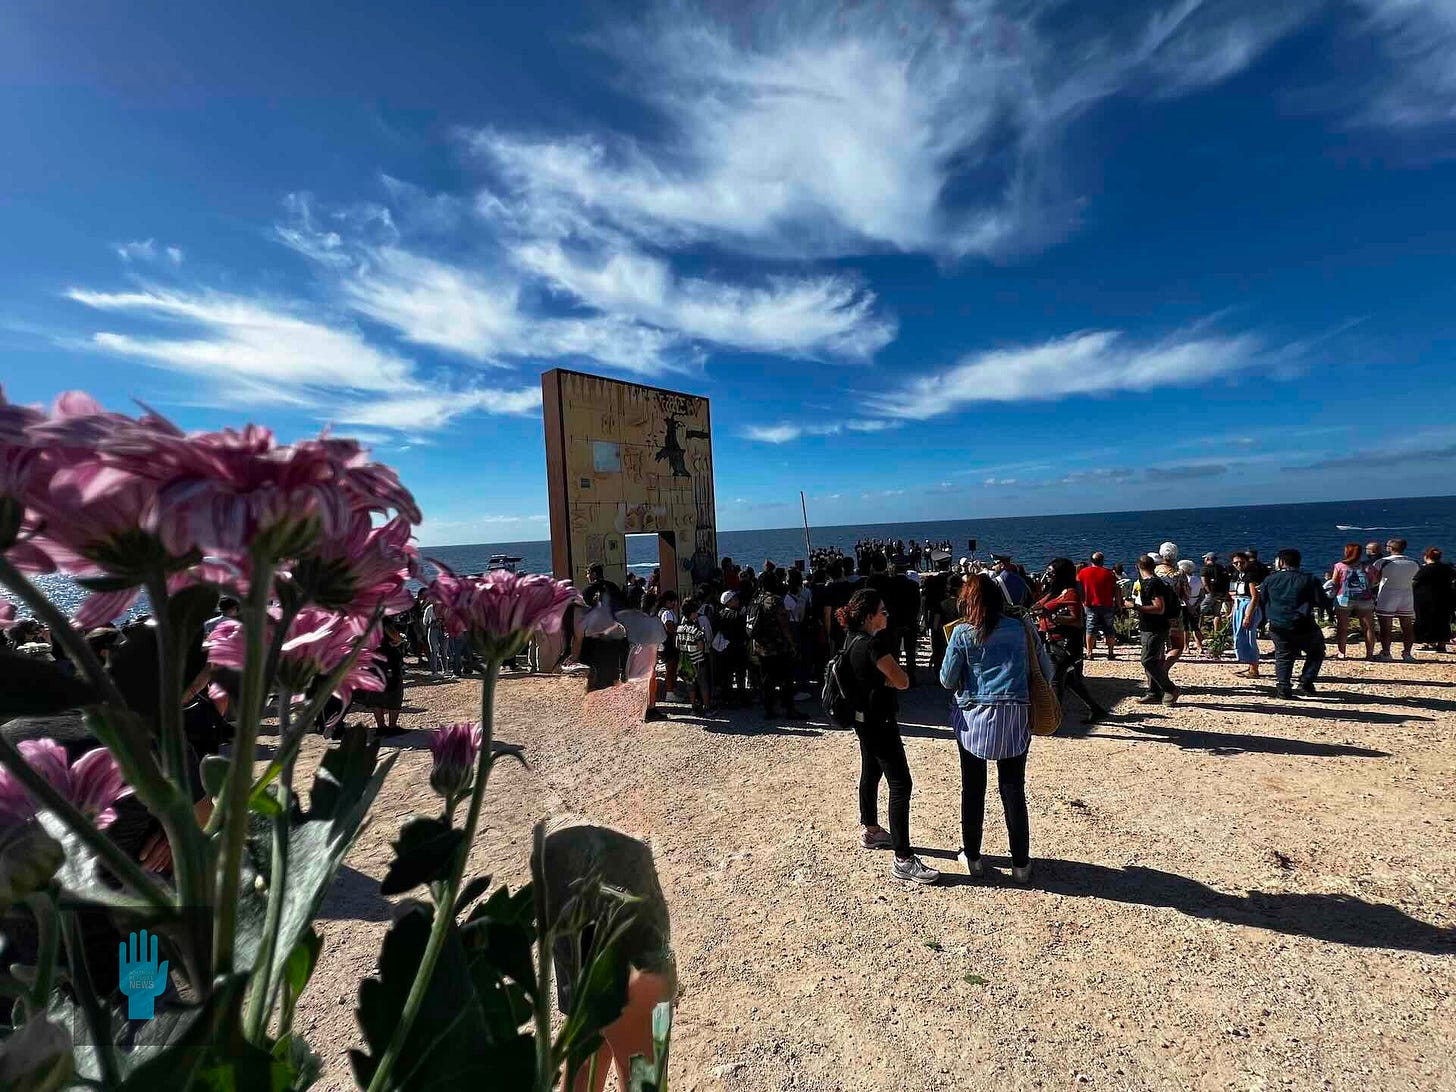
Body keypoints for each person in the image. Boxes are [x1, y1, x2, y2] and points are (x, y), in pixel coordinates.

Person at [939, 573, 1047, 883]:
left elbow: (947, 680)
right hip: (1015, 716)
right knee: (1013, 789)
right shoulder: (1022, 629)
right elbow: (1045, 669)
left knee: (973, 789)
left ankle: (972, 857)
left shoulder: (962, 633)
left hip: (974, 718)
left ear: (967, 601)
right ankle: (1021, 864)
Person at [838, 589, 938, 885]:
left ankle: (871, 830)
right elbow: (903, 681)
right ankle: (904, 859)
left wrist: (882, 679)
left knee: (870, 772)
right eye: (882, 610)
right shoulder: (873, 646)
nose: (887, 614)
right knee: (900, 783)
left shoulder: (851, 639)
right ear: (870, 616)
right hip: (880, 721)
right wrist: (887, 679)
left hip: (862, 720)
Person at [1033, 559, 1109, 725]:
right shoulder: (1054, 592)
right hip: (1051, 641)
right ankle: (1097, 710)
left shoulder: (1070, 593)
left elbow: (1077, 620)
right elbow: (1037, 605)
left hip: (1064, 645)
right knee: (1071, 681)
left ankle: (1054, 720)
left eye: (1052, 573)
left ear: (1060, 575)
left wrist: (1054, 617)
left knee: (1055, 681)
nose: (1049, 576)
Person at [1259, 548, 1327, 699]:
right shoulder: (1309, 579)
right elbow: (1320, 600)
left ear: (1281, 562)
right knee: (1316, 652)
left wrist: (1262, 621)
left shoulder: (1270, 579)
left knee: (1283, 656)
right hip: (1303, 623)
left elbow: (1262, 601)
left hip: (1277, 623)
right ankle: (1306, 681)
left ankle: (1283, 688)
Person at [749, 569, 801, 718]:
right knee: (786, 678)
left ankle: (769, 709)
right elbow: (784, 624)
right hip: (777, 646)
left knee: (767, 679)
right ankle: (789, 708)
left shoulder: (756, 599)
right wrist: (792, 643)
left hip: (760, 645)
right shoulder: (775, 600)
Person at [1130, 554, 1181, 705]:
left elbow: (1159, 608)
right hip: (1150, 625)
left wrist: (1135, 607)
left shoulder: (1152, 584)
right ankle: (1154, 692)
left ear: (1137, 567)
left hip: (1155, 627)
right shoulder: (1149, 582)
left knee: (1148, 660)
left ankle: (1170, 688)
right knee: (1153, 659)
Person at [1371, 538, 1420, 661]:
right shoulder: (1414, 562)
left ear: (1390, 548)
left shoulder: (1382, 562)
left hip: (1387, 594)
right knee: (1407, 625)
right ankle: (1407, 653)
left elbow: (1373, 580)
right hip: (1407, 594)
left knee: (1386, 626)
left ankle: (1386, 652)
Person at [1331, 542, 1377, 659]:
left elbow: (1334, 583)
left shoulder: (1339, 566)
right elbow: (1372, 582)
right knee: (1368, 627)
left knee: (1342, 627)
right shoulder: (1367, 567)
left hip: (1344, 599)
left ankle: (1342, 653)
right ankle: (1369, 654)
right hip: (1364, 599)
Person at [1077, 551, 1120, 661]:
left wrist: (1081, 601)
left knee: (1090, 628)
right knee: (1109, 629)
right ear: (1102, 561)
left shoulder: (1083, 573)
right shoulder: (1109, 573)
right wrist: (1119, 604)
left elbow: (1078, 588)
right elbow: (1116, 590)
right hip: (1107, 604)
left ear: (1091, 561)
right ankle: (1110, 652)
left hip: (1090, 604)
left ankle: (1089, 652)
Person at [1413, 547, 1455, 653]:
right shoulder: (1448, 568)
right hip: (1445, 598)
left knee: (1425, 620)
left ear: (1426, 556)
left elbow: (1415, 582)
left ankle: (1428, 642)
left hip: (1426, 599)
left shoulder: (1425, 569)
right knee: (1443, 621)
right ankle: (1442, 645)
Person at [1154, 543, 1189, 672]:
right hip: (1173, 612)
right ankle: (1164, 670)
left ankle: (1157, 672)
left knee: (1158, 644)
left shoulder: (1154, 572)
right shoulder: (1179, 574)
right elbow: (1186, 594)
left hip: (1155, 612)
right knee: (1177, 645)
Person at [1229, 551, 1263, 679]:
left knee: (1249, 637)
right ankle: (1249, 664)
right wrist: (1233, 611)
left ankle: (1254, 668)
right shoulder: (1237, 575)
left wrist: (1247, 615)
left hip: (1248, 606)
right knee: (1239, 636)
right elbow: (1234, 594)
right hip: (1238, 605)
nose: (1238, 565)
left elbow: (1255, 597)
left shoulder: (1250, 576)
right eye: (1236, 563)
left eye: (1241, 562)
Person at [1179, 560, 1206, 656]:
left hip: (1185, 605)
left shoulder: (1184, 581)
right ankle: (1200, 646)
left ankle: (1186, 647)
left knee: (1185, 627)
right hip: (1196, 604)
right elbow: (1202, 595)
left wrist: (1190, 606)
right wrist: (1196, 605)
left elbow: (1183, 595)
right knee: (1195, 627)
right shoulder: (1197, 579)